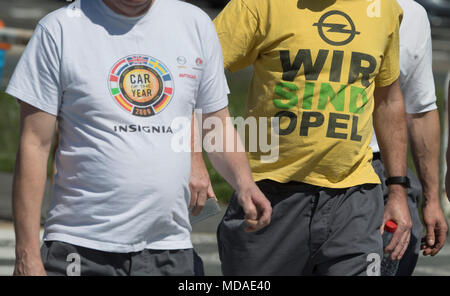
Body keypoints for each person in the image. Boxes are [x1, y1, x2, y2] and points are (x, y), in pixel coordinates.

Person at [7, 0, 271, 276]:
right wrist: (27, 255)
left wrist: (244, 182)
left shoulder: (195, 24)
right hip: (80, 247)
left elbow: (217, 126)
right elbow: (34, 144)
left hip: (171, 248)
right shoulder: (59, 30)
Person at [192, 0, 412, 276]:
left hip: (354, 197)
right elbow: (192, 76)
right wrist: (193, 159)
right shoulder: (258, 5)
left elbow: (388, 100)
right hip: (268, 196)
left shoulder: (384, 9)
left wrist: (397, 191)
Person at [371, 0, 448, 276]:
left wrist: (432, 199)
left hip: (382, 171)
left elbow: (421, 110)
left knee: (391, 263)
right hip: (295, 170)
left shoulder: (413, 15)